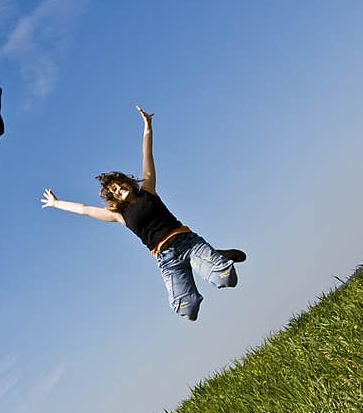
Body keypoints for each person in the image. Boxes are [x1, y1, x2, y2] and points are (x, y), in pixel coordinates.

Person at [40, 105, 245, 321]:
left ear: (127, 182)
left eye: (120, 184)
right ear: (114, 198)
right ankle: (212, 257)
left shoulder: (148, 188)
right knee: (188, 310)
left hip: (187, 242)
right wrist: (56, 203)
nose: (119, 189)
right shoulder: (119, 215)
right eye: (115, 191)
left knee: (226, 279)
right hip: (166, 258)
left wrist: (147, 126)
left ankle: (216, 257)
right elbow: (85, 210)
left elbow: (147, 153)